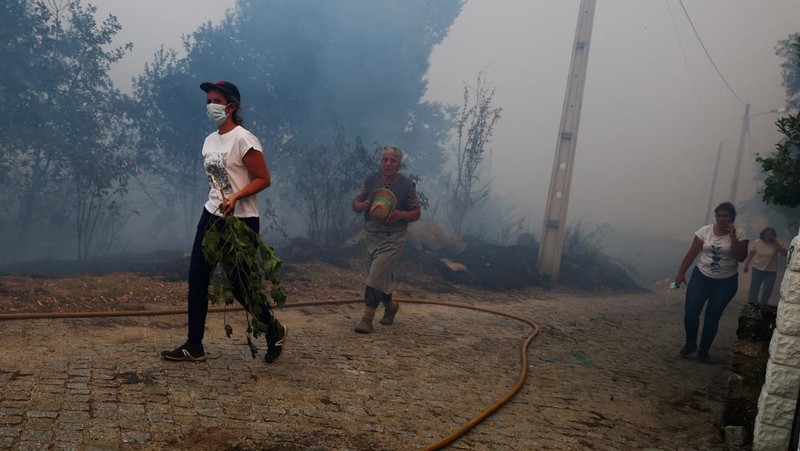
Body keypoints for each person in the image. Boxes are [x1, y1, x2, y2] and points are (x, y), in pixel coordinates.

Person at [162, 80, 286, 363]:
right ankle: (194, 345)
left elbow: (263, 179)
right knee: (197, 279)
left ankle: (274, 329)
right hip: (212, 215)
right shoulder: (209, 140)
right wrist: (220, 200)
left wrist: (236, 197)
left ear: (231, 106)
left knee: (240, 285)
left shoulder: (244, 139)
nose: (210, 106)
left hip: (240, 221)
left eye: (216, 101)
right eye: (208, 102)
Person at [351, 145, 421, 334]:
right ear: (381, 161)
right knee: (380, 276)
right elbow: (355, 203)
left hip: (393, 237)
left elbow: (416, 212)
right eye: (385, 160)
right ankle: (390, 306)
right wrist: (363, 204)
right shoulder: (371, 180)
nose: (388, 164)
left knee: (374, 276)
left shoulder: (406, 185)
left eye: (393, 160)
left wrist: (401, 215)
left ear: (399, 164)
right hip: (371, 234)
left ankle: (367, 319)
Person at [673, 202, 749, 363]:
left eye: (726, 216)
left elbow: (740, 257)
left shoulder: (740, 234)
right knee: (691, 311)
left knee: (712, 316)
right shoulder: (704, 231)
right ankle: (690, 343)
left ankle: (704, 350)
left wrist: (733, 236)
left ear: (732, 218)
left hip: (725, 281)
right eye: (719, 215)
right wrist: (681, 273)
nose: (722, 219)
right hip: (701, 276)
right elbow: (692, 253)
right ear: (716, 217)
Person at [743, 227, 788, 305]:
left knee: (768, 289)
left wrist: (777, 244)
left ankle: (762, 304)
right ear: (763, 235)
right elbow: (751, 254)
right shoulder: (757, 242)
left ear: (773, 236)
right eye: (766, 234)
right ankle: (751, 305)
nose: (768, 236)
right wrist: (746, 265)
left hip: (771, 270)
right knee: (754, 288)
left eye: (770, 235)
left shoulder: (776, 244)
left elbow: (784, 253)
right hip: (757, 269)